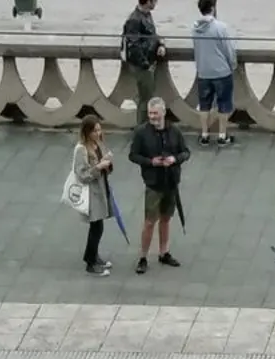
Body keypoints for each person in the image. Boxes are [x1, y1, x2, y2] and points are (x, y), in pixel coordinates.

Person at [128, 97, 189, 274]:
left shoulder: (175, 131)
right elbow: (133, 155)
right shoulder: (141, 133)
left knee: (166, 219)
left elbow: (185, 152)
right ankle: (143, 256)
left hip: (171, 182)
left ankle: (164, 252)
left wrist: (174, 159)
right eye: (150, 113)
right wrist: (151, 162)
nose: (153, 117)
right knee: (149, 222)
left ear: (163, 112)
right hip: (154, 184)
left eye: (155, 113)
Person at [73, 115, 115, 277]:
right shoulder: (81, 149)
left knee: (98, 226)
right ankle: (90, 261)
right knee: (96, 227)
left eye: (99, 129)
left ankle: (94, 257)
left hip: (101, 189)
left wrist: (107, 163)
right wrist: (99, 166)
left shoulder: (97, 144)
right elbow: (82, 174)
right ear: (87, 132)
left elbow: (104, 166)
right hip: (91, 193)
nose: (98, 133)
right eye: (94, 130)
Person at [191, 0, 237, 146]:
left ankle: (204, 135)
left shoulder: (194, 28)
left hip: (203, 71)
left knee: (204, 104)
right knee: (224, 104)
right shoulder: (220, 27)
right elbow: (228, 50)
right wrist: (232, 65)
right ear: (213, 8)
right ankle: (222, 136)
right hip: (221, 71)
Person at [121, 0, 164, 126]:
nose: (156, 2)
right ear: (148, 1)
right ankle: (142, 129)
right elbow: (133, 46)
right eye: (154, 0)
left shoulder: (146, 15)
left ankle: (145, 128)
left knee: (146, 98)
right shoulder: (134, 20)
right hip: (142, 66)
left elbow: (152, 35)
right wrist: (146, 65)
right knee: (146, 100)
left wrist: (160, 44)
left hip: (147, 63)